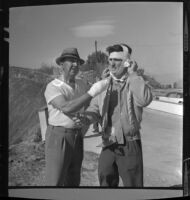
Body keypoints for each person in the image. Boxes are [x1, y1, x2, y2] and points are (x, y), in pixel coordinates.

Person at [77, 43, 153, 187]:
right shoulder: (104, 84)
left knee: (133, 185)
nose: (112, 63)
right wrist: (87, 118)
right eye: (110, 59)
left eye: (116, 60)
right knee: (105, 179)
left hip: (130, 143)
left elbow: (144, 100)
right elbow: (94, 108)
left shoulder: (135, 81)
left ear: (126, 62)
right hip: (108, 143)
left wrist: (133, 74)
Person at [44, 47, 109, 186]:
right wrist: (94, 91)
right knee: (55, 181)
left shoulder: (80, 83)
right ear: (61, 64)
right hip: (58, 137)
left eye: (77, 62)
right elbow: (65, 107)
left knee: (73, 179)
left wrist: (102, 80)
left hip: (77, 136)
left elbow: (92, 99)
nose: (75, 64)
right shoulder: (53, 87)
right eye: (71, 61)